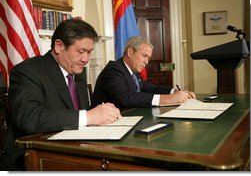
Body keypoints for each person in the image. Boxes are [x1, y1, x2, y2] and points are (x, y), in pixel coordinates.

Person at [0, 19, 121, 170]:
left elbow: (79, 118)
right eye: (81, 51)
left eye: (89, 52)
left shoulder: (78, 73)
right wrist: (89, 116)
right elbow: (29, 117)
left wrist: (104, 115)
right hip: (31, 160)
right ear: (59, 46)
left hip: (72, 152)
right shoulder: (27, 71)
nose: (86, 59)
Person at [92, 36, 196, 109]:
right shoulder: (114, 69)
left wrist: (174, 92)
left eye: (148, 58)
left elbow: (151, 88)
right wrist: (168, 99)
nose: (146, 62)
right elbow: (125, 98)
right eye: (144, 56)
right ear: (130, 52)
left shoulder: (133, 71)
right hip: (107, 126)